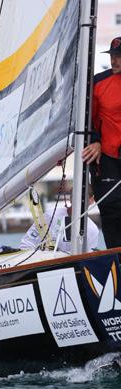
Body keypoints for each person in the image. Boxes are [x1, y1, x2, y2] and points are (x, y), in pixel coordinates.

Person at [84, 36, 121, 248]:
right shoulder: (98, 83)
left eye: (119, 56)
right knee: (111, 207)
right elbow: (87, 118)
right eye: (113, 56)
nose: (114, 60)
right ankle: (117, 260)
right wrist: (95, 140)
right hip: (106, 156)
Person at [20, 189, 100, 253]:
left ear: (91, 200)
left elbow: (88, 260)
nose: (78, 201)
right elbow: (27, 243)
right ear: (70, 198)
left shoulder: (92, 230)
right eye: (75, 196)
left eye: (82, 197)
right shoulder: (50, 215)